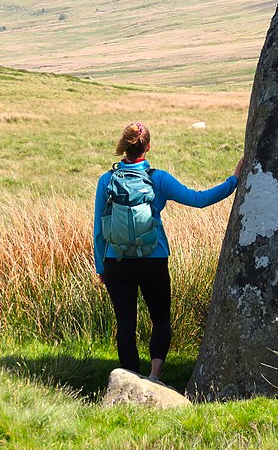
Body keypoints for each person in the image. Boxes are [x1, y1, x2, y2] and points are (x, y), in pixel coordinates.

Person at [93, 122, 242, 381]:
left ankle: (128, 380)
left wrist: (101, 267)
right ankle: (154, 376)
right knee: (160, 319)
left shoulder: (106, 180)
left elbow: (98, 228)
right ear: (147, 147)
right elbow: (199, 199)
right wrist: (234, 180)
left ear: (123, 147)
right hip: (154, 260)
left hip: (116, 262)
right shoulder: (157, 179)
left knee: (126, 324)